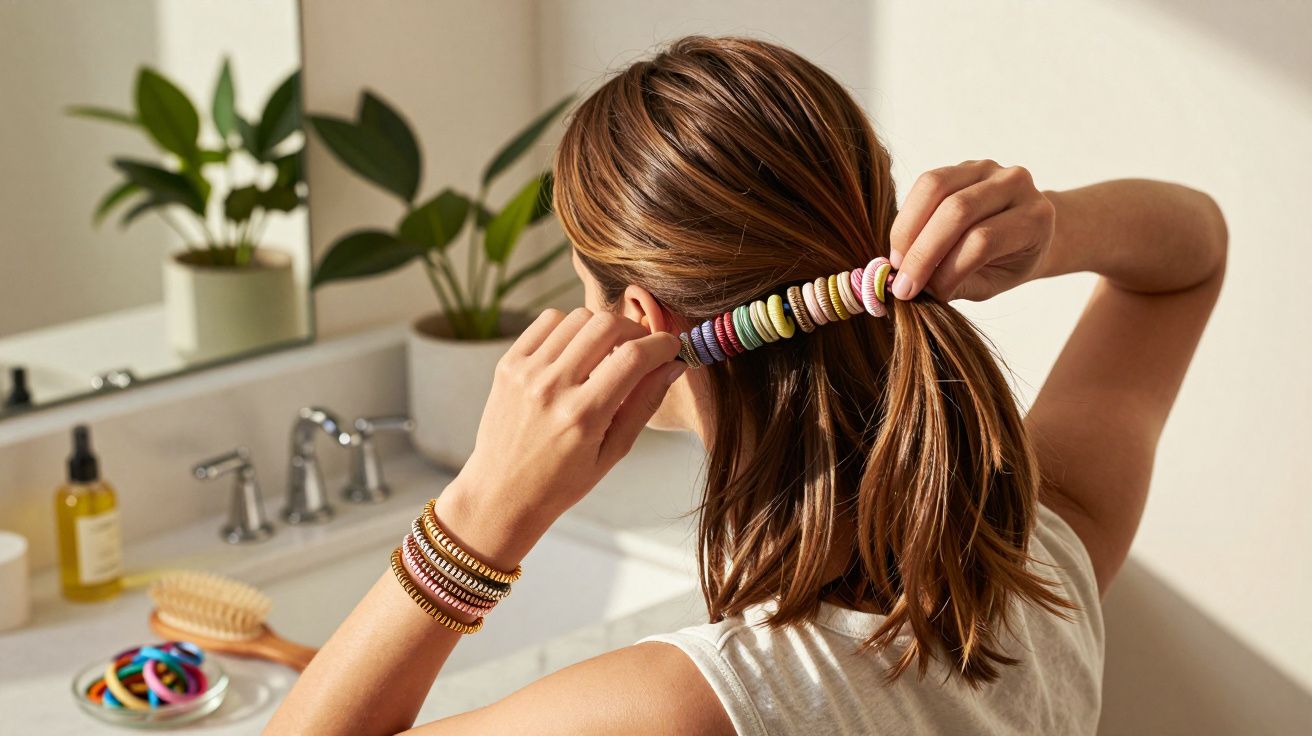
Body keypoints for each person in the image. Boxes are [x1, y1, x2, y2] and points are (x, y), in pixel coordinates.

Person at [266, 35, 1227, 735]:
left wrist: (480, 513)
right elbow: (1188, 256)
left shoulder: (691, 705)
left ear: (639, 322)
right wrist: (1053, 224)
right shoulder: (1039, 568)